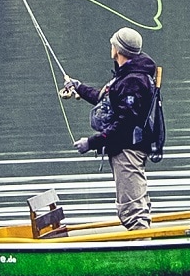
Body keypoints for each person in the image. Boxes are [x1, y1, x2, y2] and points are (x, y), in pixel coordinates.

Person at [63, 27, 164, 229]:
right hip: (127, 148)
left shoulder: (133, 81)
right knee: (136, 204)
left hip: (128, 151)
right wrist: (79, 87)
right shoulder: (128, 76)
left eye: (113, 44)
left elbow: (124, 126)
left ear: (118, 49)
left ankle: (143, 251)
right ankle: (143, 244)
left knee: (133, 211)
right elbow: (106, 101)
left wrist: (91, 143)